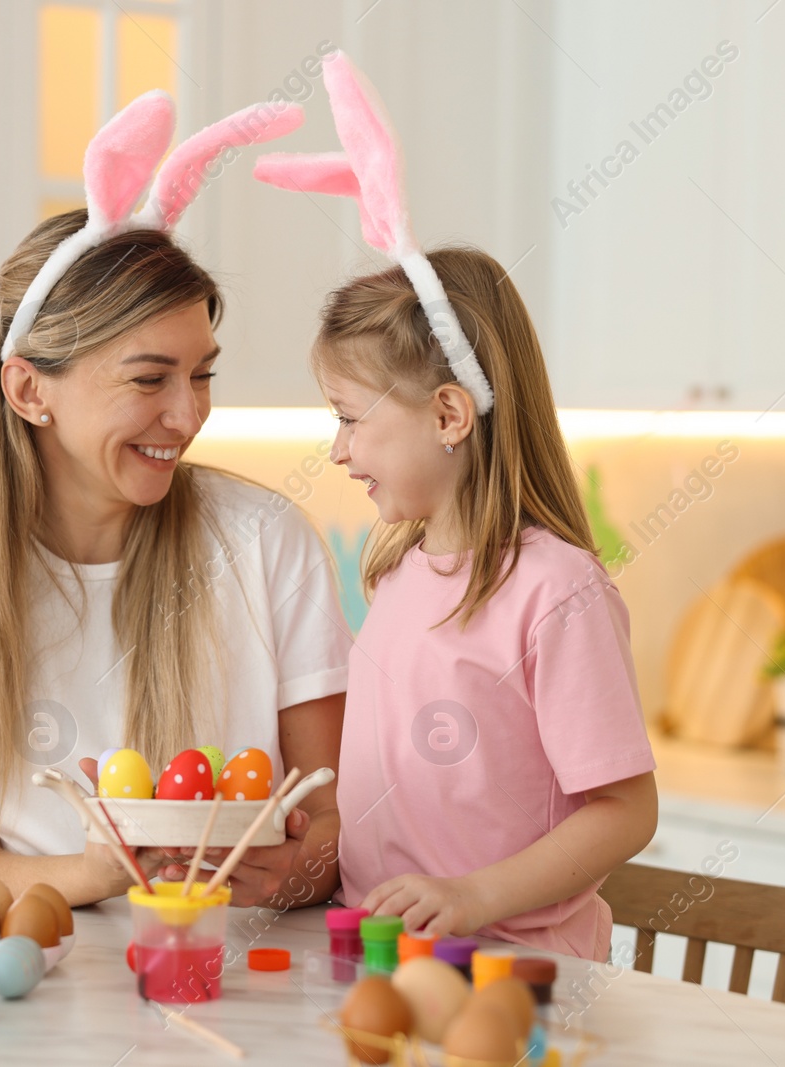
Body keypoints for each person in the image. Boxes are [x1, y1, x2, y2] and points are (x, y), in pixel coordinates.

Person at [0, 91, 349, 911]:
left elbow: (332, 823)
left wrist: (292, 873)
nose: (188, 415)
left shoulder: (269, 542)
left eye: (202, 374)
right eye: (150, 378)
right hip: (52, 986)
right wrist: (103, 870)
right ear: (28, 389)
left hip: (245, 989)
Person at [257, 53, 656, 960]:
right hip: (384, 960)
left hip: (517, 978)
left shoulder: (556, 591)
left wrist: (475, 895)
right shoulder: (398, 571)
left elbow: (627, 810)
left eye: (351, 419)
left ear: (448, 414)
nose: (338, 449)